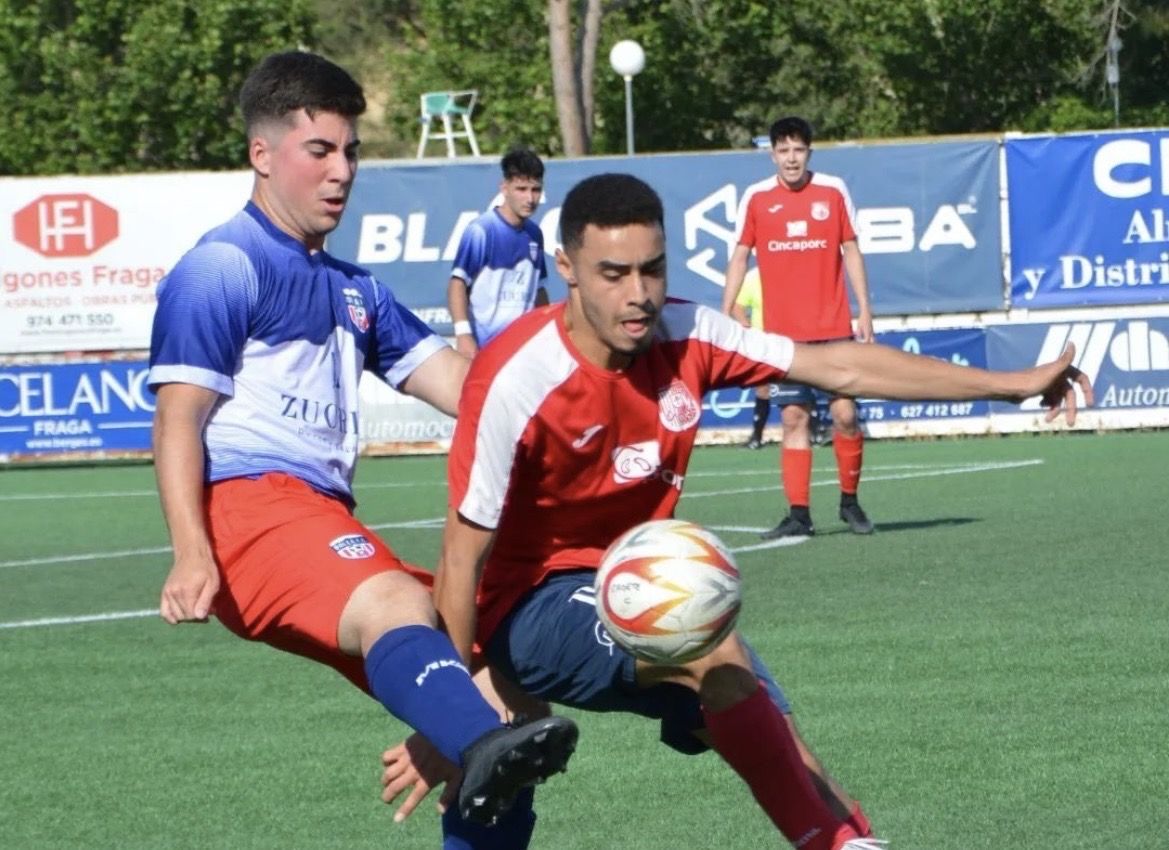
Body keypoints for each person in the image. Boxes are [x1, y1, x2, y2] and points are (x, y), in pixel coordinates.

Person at [423, 173, 1089, 850]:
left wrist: (1010, 386)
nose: (637, 294)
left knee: (791, 754)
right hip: (528, 607)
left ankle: (848, 839)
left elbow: (843, 369)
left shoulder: (689, 332)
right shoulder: (515, 378)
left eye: (652, 269)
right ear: (564, 268)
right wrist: (448, 719)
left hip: (627, 582)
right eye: (613, 273)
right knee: (713, 650)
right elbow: (459, 557)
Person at [145, 50, 576, 843]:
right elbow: (178, 418)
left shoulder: (354, 288)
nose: (341, 171)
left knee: (504, 690)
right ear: (261, 154)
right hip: (248, 516)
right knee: (402, 609)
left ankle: (474, 741)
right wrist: (190, 551)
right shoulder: (222, 266)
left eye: (350, 151)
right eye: (319, 151)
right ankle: (474, 741)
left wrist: (571, 401)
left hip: (315, 518)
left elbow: (464, 385)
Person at [722, 116, 876, 540]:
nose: (791, 158)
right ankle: (799, 514)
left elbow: (851, 250)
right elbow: (739, 256)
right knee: (793, 417)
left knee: (845, 414)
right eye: (783, 150)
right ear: (772, 153)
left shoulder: (832, 190)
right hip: (784, 337)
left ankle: (849, 502)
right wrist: (727, 305)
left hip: (833, 329)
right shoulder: (756, 198)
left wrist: (864, 310)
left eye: (798, 150)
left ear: (809, 152)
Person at [448, 147, 549, 358]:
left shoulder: (535, 234)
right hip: (486, 348)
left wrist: (547, 330)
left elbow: (538, 291)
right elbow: (457, 284)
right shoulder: (482, 230)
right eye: (521, 189)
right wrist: (463, 334)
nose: (530, 198)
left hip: (524, 350)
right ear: (504, 188)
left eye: (536, 190)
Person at [729, 265, 778, 449]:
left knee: (801, 386)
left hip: (792, 337)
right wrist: (748, 328)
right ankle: (757, 436)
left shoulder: (793, 269)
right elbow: (738, 306)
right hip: (764, 341)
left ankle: (813, 432)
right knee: (763, 387)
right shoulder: (755, 276)